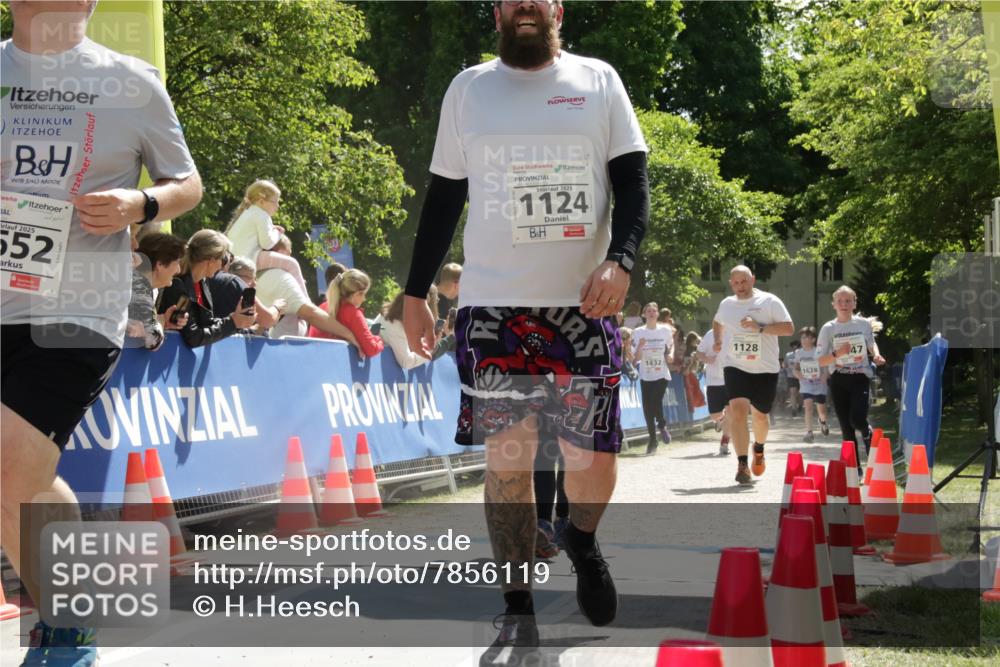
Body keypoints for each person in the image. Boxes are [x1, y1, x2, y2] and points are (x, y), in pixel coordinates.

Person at [401, 0, 649, 659]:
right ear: (497, 12)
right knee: (507, 458)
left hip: (582, 307)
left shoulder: (599, 81)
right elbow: (443, 197)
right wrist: (414, 291)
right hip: (492, 309)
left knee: (591, 460)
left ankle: (582, 538)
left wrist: (621, 261)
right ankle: (517, 608)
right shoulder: (469, 89)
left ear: (558, 8)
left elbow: (634, 185)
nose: (527, 4)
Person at [1, 2, 202, 664]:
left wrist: (138, 204)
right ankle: (71, 612)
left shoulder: (131, 81)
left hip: (78, 312)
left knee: (9, 463)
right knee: (22, 476)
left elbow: (187, 183)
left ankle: (66, 627)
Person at [712, 265, 794, 485]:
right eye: (736, 282)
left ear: (753, 280)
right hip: (735, 366)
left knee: (760, 416)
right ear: (731, 284)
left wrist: (759, 327)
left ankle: (759, 447)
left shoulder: (769, 301)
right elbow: (717, 321)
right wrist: (718, 340)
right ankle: (742, 465)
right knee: (738, 412)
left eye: (744, 281)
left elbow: (788, 328)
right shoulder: (726, 304)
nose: (740, 286)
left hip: (765, 369)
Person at [816, 285, 886, 473]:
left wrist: (877, 355)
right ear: (833, 304)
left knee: (857, 419)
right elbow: (821, 359)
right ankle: (856, 469)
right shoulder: (828, 328)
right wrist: (837, 354)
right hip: (839, 379)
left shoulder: (862, 324)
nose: (844, 304)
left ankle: (867, 435)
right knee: (846, 428)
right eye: (840, 301)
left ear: (854, 303)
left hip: (860, 377)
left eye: (848, 301)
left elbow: (871, 343)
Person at [253, 238, 361, 346]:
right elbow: (311, 314)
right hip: (287, 347)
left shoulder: (256, 279)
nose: (290, 257)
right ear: (280, 253)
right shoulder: (281, 278)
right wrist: (349, 334)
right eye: (289, 254)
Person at [158, 230, 257, 347]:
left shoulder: (202, 283)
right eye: (224, 259)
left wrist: (236, 319)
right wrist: (233, 322)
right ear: (211, 260)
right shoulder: (177, 285)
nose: (223, 266)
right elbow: (193, 337)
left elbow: (207, 324)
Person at [223, 179, 308, 294]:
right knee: (292, 263)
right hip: (249, 258)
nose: (277, 206)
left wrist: (272, 230)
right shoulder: (262, 215)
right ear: (262, 201)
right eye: (275, 202)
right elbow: (267, 243)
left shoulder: (247, 213)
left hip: (233, 262)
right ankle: (305, 302)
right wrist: (278, 233)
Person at [128, 232, 189, 350]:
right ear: (160, 264)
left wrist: (164, 320)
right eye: (177, 263)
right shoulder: (135, 286)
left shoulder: (151, 289)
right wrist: (160, 321)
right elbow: (152, 341)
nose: (179, 270)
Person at [632, 302, 673, 455]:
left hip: (662, 373)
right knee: (648, 408)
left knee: (655, 402)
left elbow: (671, 345)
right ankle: (652, 440)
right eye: (648, 311)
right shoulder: (637, 332)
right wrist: (640, 347)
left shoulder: (665, 330)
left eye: (653, 311)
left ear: (657, 314)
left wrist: (671, 354)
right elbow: (635, 360)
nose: (651, 313)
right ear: (644, 314)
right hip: (646, 374)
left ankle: (661, 425)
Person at [316, 268, 384, 357]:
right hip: (339, 364)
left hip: (316, 360)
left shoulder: (322, 307)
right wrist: (379, 339)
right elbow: (372, 349)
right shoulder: (353, 313)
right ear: (357, 294)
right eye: (363, 294)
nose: (364, 299)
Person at [380, 287, 453, 369]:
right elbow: (406, 362)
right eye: (436, 301)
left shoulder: (389, 314)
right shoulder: (397, 328)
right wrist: (429, 349)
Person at [696, 329, 731, 455]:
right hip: (714, 380)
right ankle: (720, 421)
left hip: (731, 379)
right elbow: (698, 353)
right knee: (715, 416)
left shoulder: (736, 331)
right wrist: (706, 358)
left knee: (731, 412)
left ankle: (725, 442)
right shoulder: (710, 334)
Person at [793, 326, 830, 443]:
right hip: (806, 384)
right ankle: (809, 432)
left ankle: (822, 422)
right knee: (808, 406)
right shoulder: (798, 353)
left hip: (819, 384)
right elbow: (795, 368)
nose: (803, 340)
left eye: (806, 338)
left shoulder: (818, 351)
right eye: (802, 337)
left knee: (822, 410)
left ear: (813, 340)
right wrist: (797, 374)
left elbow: (827, 365)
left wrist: (826, 375)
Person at [783, 339, 802, 416]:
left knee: (800, 393)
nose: (795, 349)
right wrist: (786, 366)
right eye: (793, 347)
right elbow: (784, 365)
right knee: (793, 392)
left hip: (801, 376)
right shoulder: (788, 355)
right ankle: (794, 409)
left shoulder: (802, 354)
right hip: (791, 376)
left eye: (797, 347)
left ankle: (800, 405)